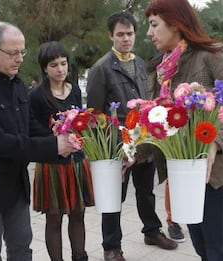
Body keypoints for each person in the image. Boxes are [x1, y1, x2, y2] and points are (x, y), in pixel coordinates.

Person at [145, 0, 223, 260]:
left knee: (218, 250)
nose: (149, 32)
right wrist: (132, 153)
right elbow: (160, 124)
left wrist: (216, 141)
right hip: (185, 174)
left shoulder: (211, 54)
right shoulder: (163, 69)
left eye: (154, 24)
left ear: (175, 24)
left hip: (218, 172)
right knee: (201, 246)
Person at [0, 21, 78, 261]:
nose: (20, 59)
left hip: (16, 187)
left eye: (22, 52)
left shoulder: (17, 85)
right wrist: (53, 146)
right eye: (13, 53)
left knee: (22, 249)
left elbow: (29, 126)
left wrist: (60, 138)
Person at [86, 11, 177, 261]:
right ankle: (111, 246)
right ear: (110, 36)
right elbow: (94, 115)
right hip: (117, 145)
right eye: (120, 34)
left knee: (146, 190)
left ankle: (151, 231)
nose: (126, 39)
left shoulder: (139, 62)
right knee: (114, 196)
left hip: (143, 140)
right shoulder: (101, 68)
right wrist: (108, 149)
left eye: (130, 34)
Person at [28, 41, 94, 261]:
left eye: (63, 63)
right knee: (54, 218)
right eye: (54, 65)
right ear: (45, 68)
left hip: (77, 161)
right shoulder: (36, 95)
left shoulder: (74, 89)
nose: (60, 69)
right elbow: (32, 128)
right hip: (51, 164)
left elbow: (80, 119)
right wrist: (55, 137)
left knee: (78, 214)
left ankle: (80, 256)